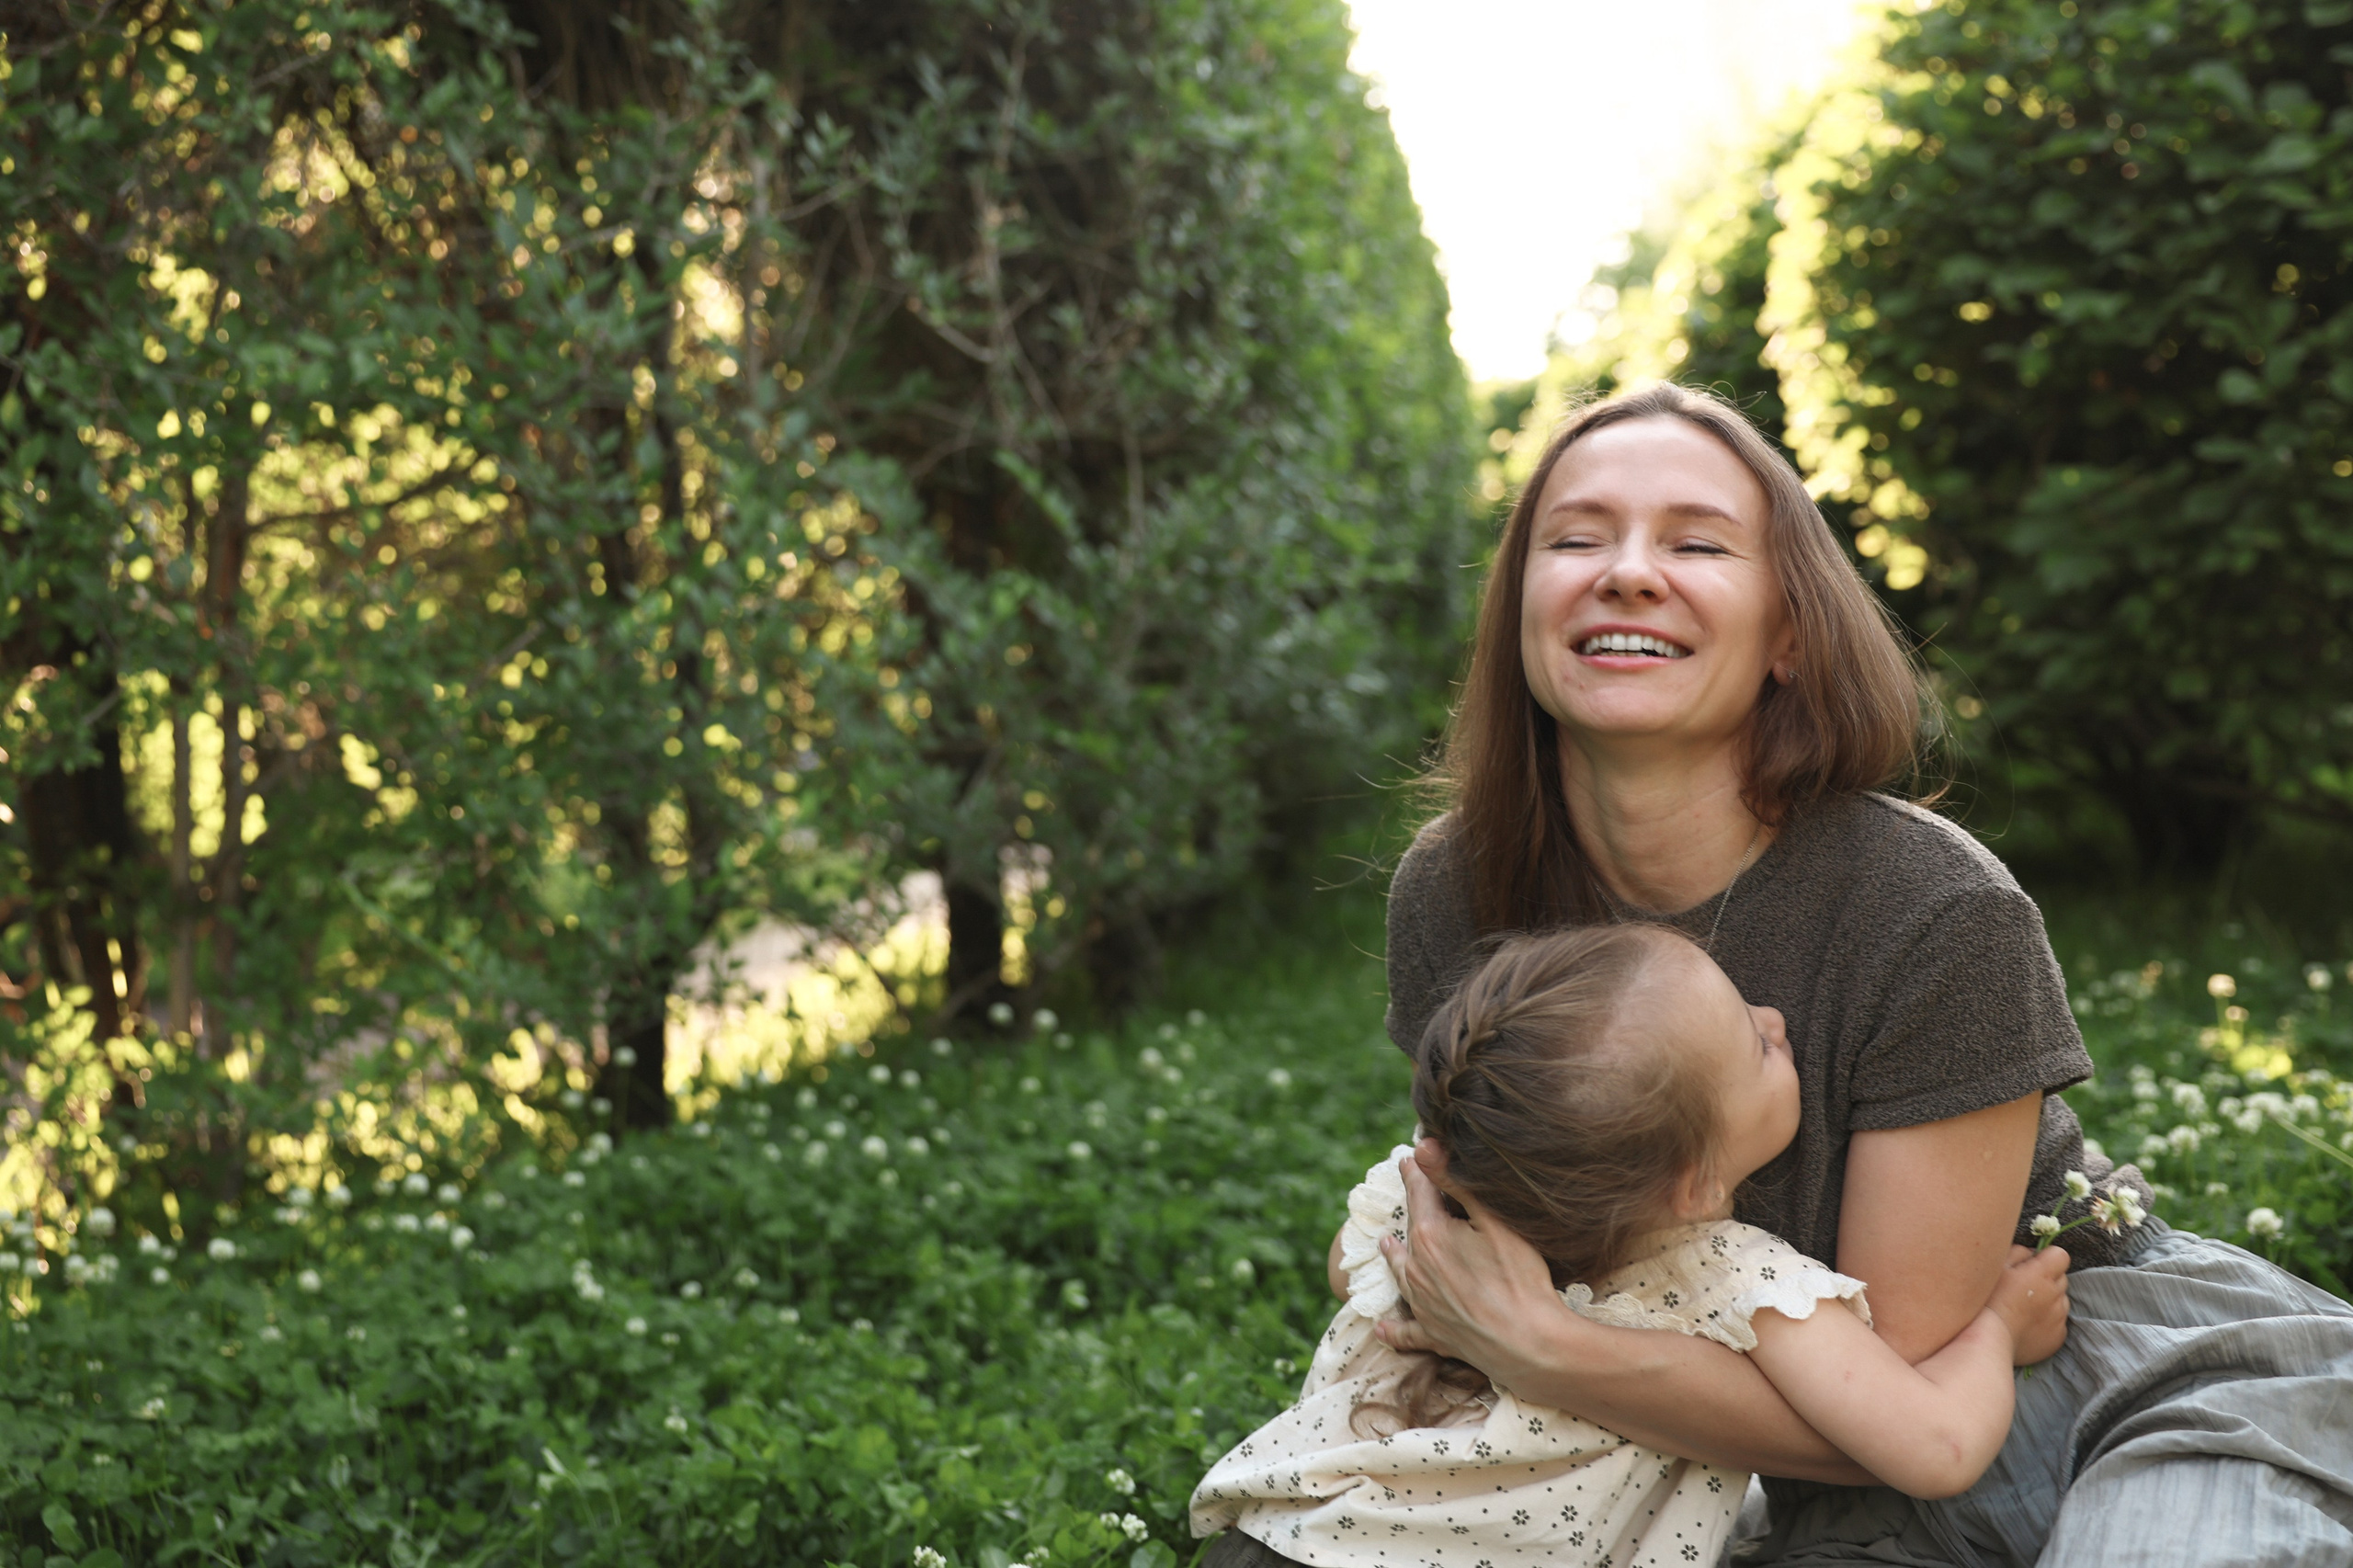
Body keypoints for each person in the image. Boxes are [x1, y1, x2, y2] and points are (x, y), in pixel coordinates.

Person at [1361, 382, 2353, 1565]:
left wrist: (1546, 1349)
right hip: (1791, 1454)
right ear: (1517, 605)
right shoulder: (1458, 888)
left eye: (1695, 543)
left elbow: (1898, 1395)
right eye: (1575, 538)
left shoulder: (1934, 907)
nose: (1625, 572)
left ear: (1789, 634)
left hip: (2110, 1377)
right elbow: (1462, 1240)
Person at [1192, 925, 2074, 1568]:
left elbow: (1344, 1269)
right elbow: (1936, 1450)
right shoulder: (1731, 1280)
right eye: (1755, 1044)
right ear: (1695, 1185)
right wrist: (1998, 1326)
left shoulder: (1431, 1213)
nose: (1776, 1019)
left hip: (1288, 1536)